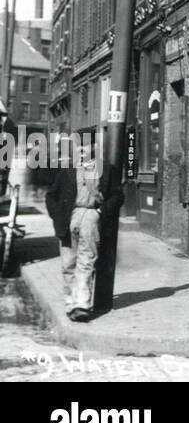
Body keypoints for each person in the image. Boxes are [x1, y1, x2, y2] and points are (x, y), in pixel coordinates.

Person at [45, 138, 121, 322]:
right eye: (77, 145)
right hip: (69, 217)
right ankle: (70, 303)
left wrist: (101, 212)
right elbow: (51, 196)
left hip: (91, 215)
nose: (80, 149)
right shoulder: (67, 171)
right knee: (68, 263)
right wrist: (57, 216)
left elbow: (118, 195)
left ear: (94, 148)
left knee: (86, 261)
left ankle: (82, 304)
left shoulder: (107, 169)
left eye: (84, 145)